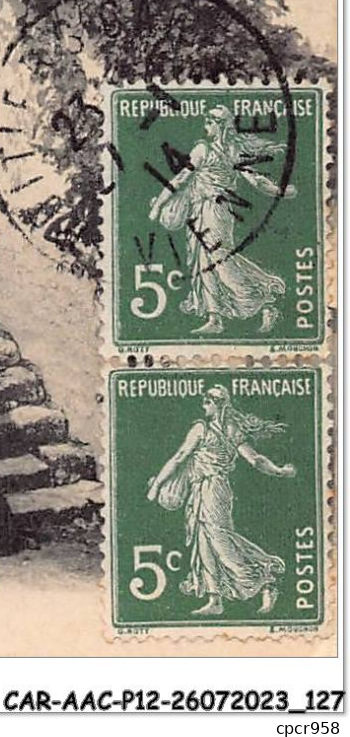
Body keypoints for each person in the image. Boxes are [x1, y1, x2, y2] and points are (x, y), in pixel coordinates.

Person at [146, 385, 296, 616]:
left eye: (207, 402)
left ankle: (266, 581)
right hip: (199, 489)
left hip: (214, 489)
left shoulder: (205, 428)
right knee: (204, 543)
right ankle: (214, 599)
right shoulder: (227, 429)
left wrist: (156, 485)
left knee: (220, 541)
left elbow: (180, 458)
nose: (203, 406)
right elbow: (254, 459)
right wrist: (279, 471)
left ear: (218, 404)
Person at [148, 105, 295, 335]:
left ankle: (264, 299)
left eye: (210, 122)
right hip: (200, 209)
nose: (206, 126)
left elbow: (254, 179)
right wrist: (159, 204)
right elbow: (182, 179)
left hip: (216, 211)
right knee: (203, 262)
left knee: (220, 260)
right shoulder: (211, 149)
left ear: (221, 126)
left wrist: (280, 191)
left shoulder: (217, 150)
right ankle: (215, 318)